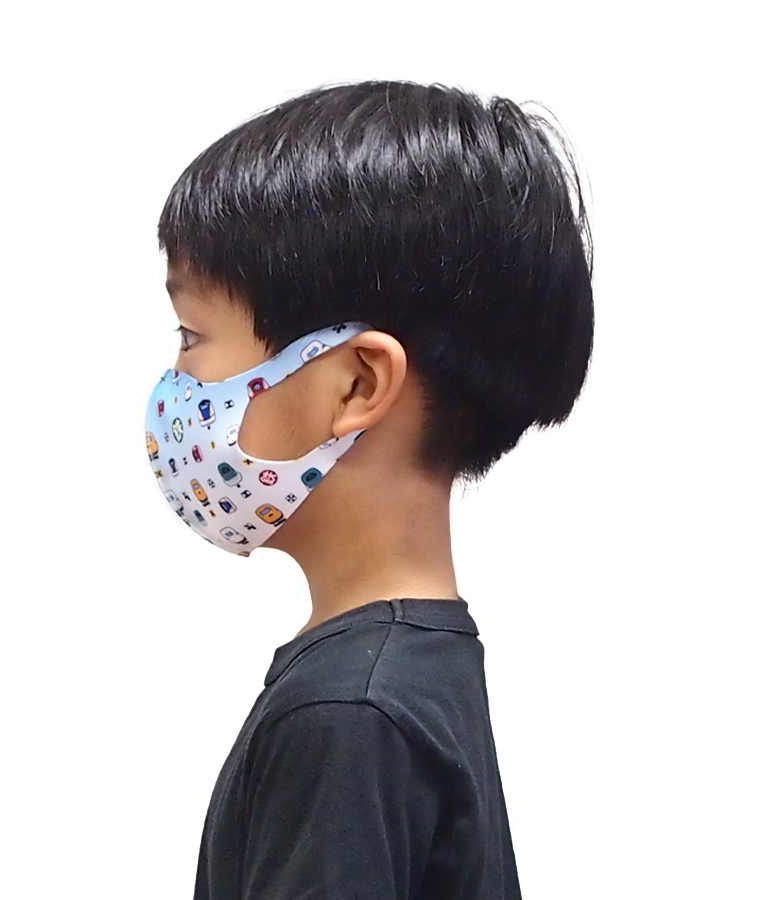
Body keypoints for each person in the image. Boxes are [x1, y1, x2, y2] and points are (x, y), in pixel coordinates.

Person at [145, 80, 593, 899]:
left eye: (192, 335)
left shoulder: (350, 715)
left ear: (356, 384)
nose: (177, 383)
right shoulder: (410, 672)